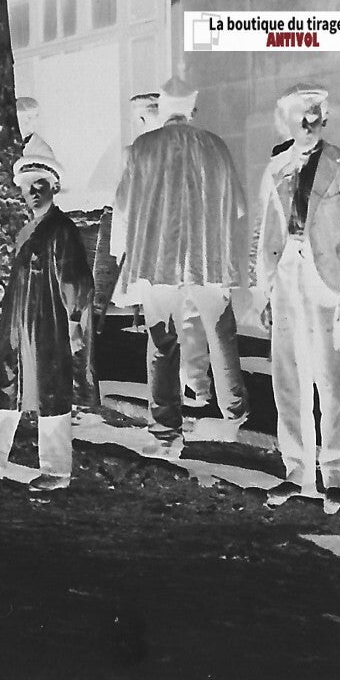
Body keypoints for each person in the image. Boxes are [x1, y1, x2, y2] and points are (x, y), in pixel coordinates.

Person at [109, 76, 248, 455]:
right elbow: (237, 206)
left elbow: (122, 207)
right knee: (221, 335)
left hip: (160, 262)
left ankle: (166, 433)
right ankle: (234, 415)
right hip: (209, 260)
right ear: (191, 110)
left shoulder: (143, 148)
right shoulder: (216, 146)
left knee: (162, 343)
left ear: (164, 108)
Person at [251, 83, 340, 514]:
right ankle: (295, 471)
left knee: (333, 380)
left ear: (326, 117)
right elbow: (263, 234)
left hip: (328, 284)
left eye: (315, 111)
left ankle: (336, 476)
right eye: (300, 113)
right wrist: (263, 290)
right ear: (286, 120)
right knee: (287, 378)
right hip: (286, 280)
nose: (308, 120)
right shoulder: (276, 167)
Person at [0, 140, 94, 491]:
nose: (33, 192)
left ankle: (57, 468)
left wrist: (74, 321)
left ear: (54, 186)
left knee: (52, 388)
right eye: (27, 186)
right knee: (6, 382)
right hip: (18, 321)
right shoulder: (28, 231)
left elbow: (75, 278)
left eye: (41, 184)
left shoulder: (62, 229)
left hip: (49, 321)